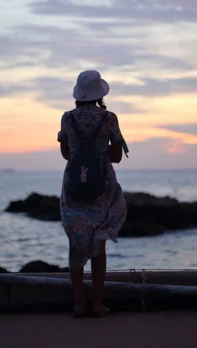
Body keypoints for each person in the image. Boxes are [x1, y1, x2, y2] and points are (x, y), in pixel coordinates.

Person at [57, 69, 129, 318]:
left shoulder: (67, 118)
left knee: (75, 244)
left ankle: (78, 304)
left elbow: (67, 154)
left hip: (74, 184)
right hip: (102, 186)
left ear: (78, 94)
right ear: (99, 94)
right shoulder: (109, 118)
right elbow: (117, 156)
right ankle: (97, 305)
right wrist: (100, 153)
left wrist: (82, 152)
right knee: (99, 243)